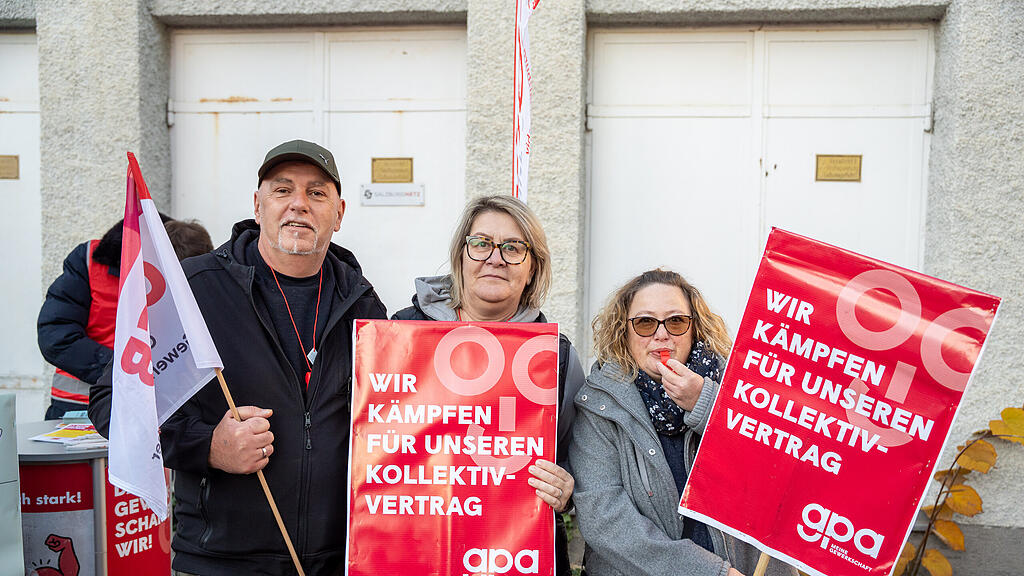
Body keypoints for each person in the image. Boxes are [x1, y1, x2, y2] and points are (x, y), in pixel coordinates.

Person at [89, 139, 387, 576]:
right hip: (219, 561)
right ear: (258, 204)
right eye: (282, 190)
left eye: (316, 193)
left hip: (335, 559)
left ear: (339, 213)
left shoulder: (362, 304)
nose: (298, 205)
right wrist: (208, 446)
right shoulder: (192, 291)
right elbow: (113, 401)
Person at [393, 194, 585, 576]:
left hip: (515, 553)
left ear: (532, 269)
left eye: (513, 248)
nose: (495, 258)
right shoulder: (402, 333)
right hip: (418, 549)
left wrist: (568, 490)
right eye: (481, 244)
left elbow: (578, 462)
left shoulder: (556, 356)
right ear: (461, 256)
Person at [569, 269, 796, 576]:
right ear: (625, 332)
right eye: (645, 322)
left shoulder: (745, 391)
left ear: (694, 328)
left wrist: (706, 405)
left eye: (675, 321)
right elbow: (606, 519)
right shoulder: (598, 403)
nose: (661, 334)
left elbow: (780, 473)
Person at [37, 213, 178, 419]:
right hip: (80, 405)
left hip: (154, 407)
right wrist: (126, 371)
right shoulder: (88, 261)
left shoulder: (183, 268)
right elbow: (55, 335)